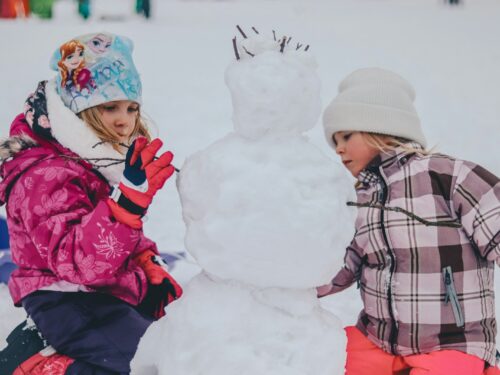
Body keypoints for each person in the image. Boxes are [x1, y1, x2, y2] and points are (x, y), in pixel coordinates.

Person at [0, 32, 182, 375]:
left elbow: (105, 231)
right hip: (65, 299)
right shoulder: (45, 175)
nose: (123, 120)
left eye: (131, 108)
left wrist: (145, 259)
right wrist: (127, 205)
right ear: (76, 109)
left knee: (177, 336)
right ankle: (43, 366)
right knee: (149, 362)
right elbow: (74, 262)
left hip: (105, 289)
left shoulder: (92, 159)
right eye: (109, 106)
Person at [318, 67, 500, 375]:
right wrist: (287, 278)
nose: (338, 148)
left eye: (346, 135)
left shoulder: (447, 176)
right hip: (379, 340)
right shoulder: (356, 200)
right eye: (335, 140)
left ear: (379, 127)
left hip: (452, 341)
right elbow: (339, 267)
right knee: (323, 355)